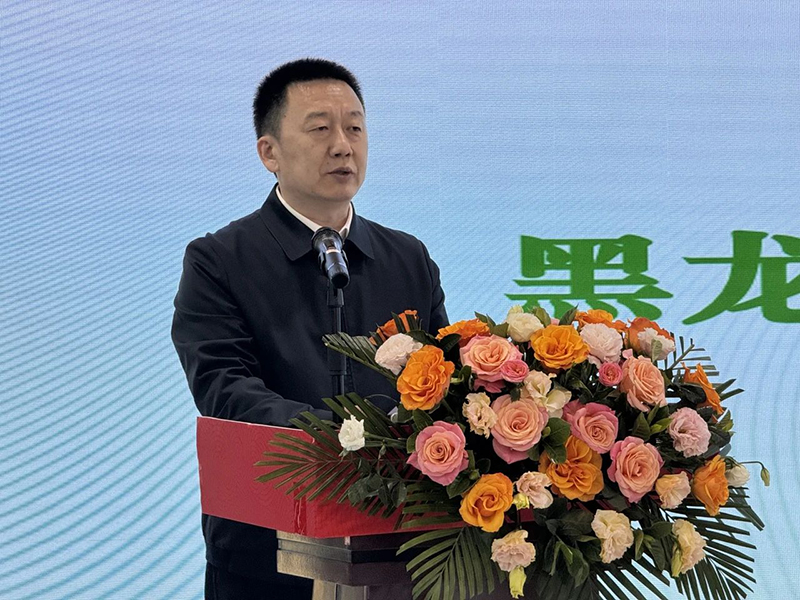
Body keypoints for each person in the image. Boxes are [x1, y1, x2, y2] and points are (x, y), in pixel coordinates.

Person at [171, 58, 449, 600]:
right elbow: (224, 388)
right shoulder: (218, 260)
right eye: (320, 128)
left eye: (355, 128)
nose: (342, 146)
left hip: (400, 547)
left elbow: (441, 376)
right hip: (268, 548)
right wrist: (342, 438)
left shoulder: (407, 257)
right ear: (269, 152)